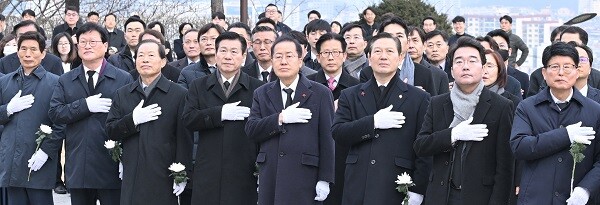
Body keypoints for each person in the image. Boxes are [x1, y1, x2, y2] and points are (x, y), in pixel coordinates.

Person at [414, 36, 514, 205]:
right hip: (441, 195)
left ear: (483, 69)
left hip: (480, 197)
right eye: (459, 61)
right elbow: (421, 146)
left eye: (472, 61)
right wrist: (453, 134)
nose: (465, 66)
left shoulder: (501, 106)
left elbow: (505, 166)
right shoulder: (437, 103)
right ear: (452, 70)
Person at [332, 32, 430, 204]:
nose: (383, 56)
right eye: (377, 51)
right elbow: (339, 132)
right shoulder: (350, 95)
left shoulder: (418, 98)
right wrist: (373, 122)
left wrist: (418, 189)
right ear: (369, 57)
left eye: (389, 51)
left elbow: (424, 147)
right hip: (358, 183)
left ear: (400, 57)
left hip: (397, 183)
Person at [49, 22, 133, 205]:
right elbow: (55, 113)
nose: (87, 46)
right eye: (82, 42)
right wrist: (85, 105)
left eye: (93, 41)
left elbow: (128, 119)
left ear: (105, 46)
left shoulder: (123, 78)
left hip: (110, 165)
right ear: (76, 46)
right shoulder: (66, 80)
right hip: (79, 165)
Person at [245, 35, 335, 205]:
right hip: (271, 174)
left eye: (289, 56)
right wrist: (280, 118)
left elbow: (327, 138)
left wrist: (325, 178)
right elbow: (252, 129)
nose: (283, 61)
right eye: (278, 57)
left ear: (300, 61)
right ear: (272, 60)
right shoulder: (262, 93)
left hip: (305, 174)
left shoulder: (320, 93)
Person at [511, 42, 600, 205]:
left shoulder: (594, 111)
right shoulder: (528, 107)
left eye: (567, 67)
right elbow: (519, 147)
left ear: (576, 71)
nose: (561, 73)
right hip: (536, 198)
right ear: (544, 72)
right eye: (554, 67)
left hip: (576, 199)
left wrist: (586, 189)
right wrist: (565, 135)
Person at [106, 39, 192, 205]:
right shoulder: (123, 94)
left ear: (163, 61)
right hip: (132, 175)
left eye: (151, 55)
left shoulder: (178, 94)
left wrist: (182, 173)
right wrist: (132, 120)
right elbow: (111, 130)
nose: (145, 60)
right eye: (140, 56)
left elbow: (184, 139)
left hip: (164, 174)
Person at [183, 31, 263, 205]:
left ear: (243, 56)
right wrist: (219, 114)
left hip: (244, 168)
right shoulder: (199, 85)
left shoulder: (257, 88)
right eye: (223, 51)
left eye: (234, 52)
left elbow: (262, 129)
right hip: (208, 167)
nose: (228, 56)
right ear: (216, 54)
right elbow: (188, 119)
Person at [0, 31, 63, 205]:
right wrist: (8, 109)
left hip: (38, 162)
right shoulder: (5, 82)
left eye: (34, 49)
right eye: (23, 49)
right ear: (17, 51)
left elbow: (61, 124)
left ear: (43, 53)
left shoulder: (56, 82)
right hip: (11, 161)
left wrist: (46, 151)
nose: (28, 54)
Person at [306, 33, 359, 205]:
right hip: (314, 156)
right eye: (325, 53)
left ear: (344, 56)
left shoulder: (357, 87)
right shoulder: (306, 84)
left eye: (336, 52)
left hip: (345, 157)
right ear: (318, 57)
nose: (331, 57)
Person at [360, 17, 437, 96]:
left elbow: (431, 106)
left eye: (399, 36)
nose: (395, 40)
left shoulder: (424, 73)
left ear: (407, 42)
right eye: (389, 36)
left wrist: (420, 98)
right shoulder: (367, 73)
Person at [529, 26, 600, 97]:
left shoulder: (597, 78)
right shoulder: (540, 75)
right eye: (564, 44)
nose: (568, 48)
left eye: (573, 44)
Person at [177, 23, 225, 89]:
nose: (208, 43)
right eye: (204, 39)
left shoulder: (233, 70)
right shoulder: (187, 73)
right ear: (199, 43)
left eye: (213, 38)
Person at [486, 29, 529, 98]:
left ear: (509, 51)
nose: (498, 50)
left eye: (501, 46)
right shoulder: (480, 77)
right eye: (494, 47)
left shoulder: (522, 78)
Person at [408, 26, 450, 95]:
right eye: (407, 41)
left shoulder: (439, 75)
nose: (411, 46)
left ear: (424, 45)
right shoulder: (393, 71)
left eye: (415, 40)